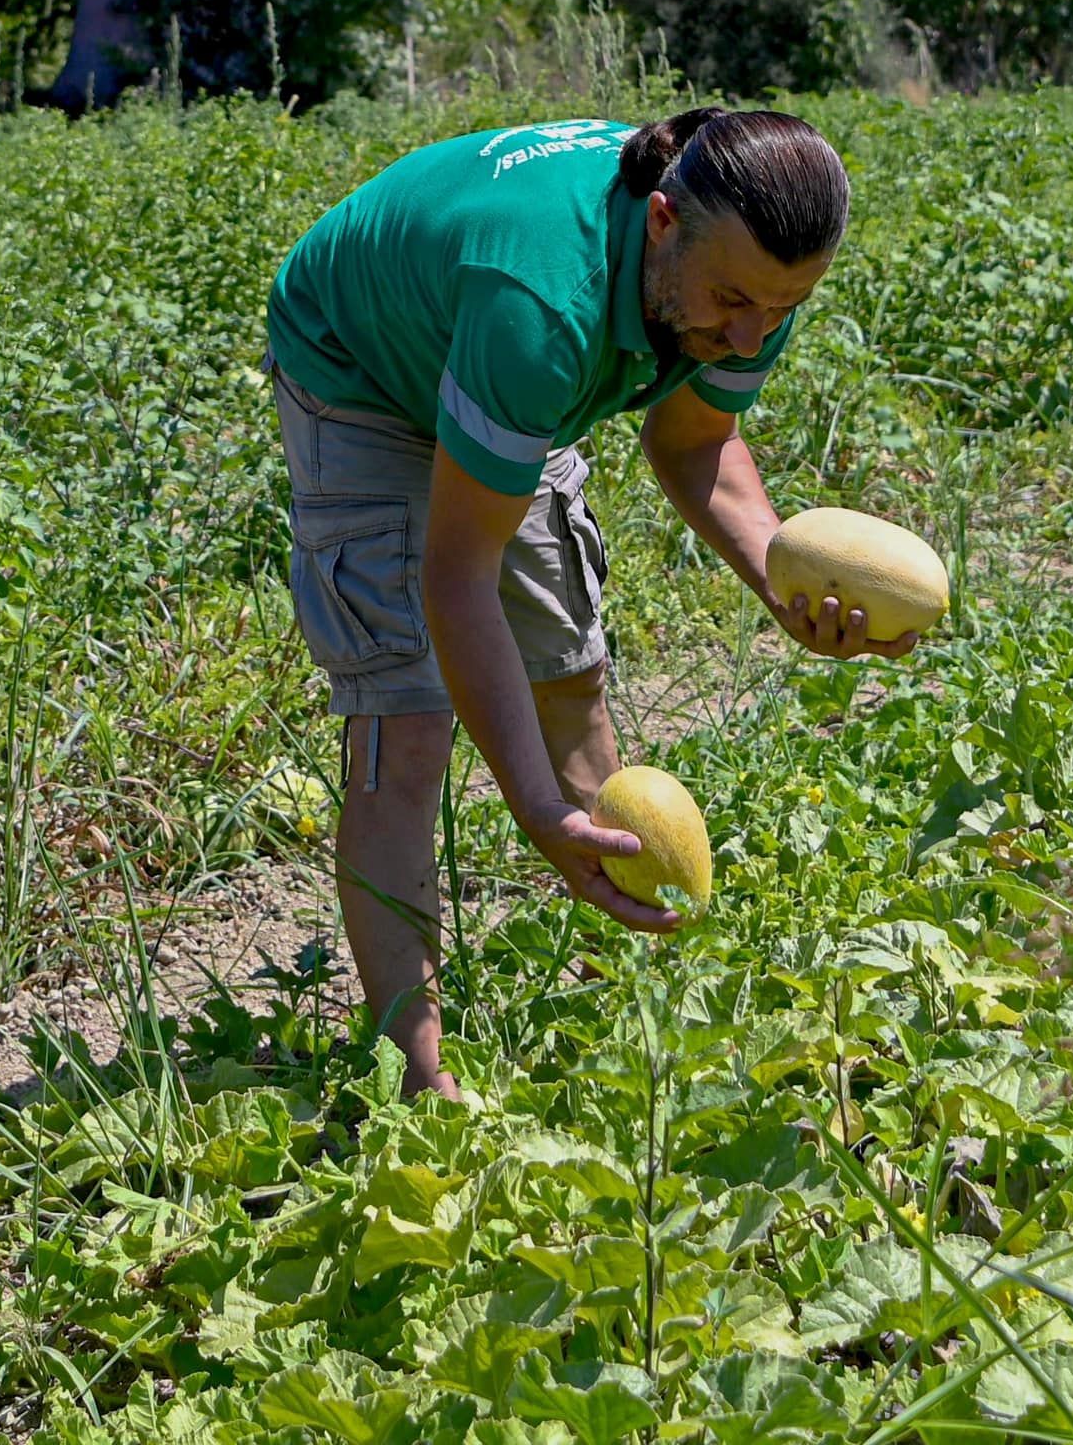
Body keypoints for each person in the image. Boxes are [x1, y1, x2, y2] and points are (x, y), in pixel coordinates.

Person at [262, 106, 917, 1096]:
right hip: (363, 368)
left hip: (497, 354)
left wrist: (786, 584)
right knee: (408, 725)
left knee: (571, 671)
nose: (749, 335)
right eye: (735, 300)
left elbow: (692, 441)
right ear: (661, 222)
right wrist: (533, 808)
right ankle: (418, 1083)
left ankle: (634, 993)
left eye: (780, 310)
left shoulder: (753, 270)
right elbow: (456, 575)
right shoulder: (542, 312)